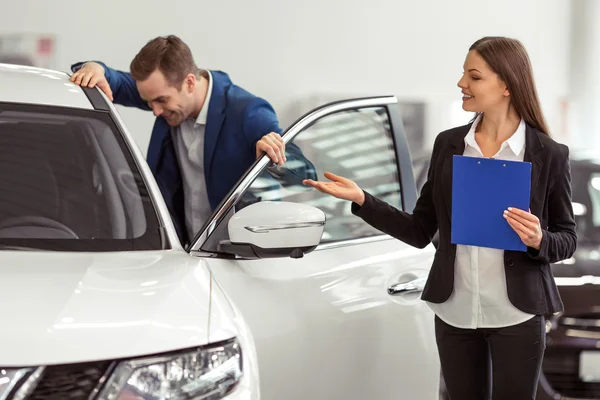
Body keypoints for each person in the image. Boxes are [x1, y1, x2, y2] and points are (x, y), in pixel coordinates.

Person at [303, 36, 577, 399]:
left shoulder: (548, 154)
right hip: (456, 312)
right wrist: (362, 199)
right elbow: (419, 230)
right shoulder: (449, 145)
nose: (462, 84)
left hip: (518, 314)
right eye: (464, 75)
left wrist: (539, 239)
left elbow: (567, 240)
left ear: (507, 85)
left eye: (474, 76)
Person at [70, 35, 315, 246]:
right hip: (184, 252)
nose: (155, 111)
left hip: (239, 255)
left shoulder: (247, 112)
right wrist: (95, 67)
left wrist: (274, 159)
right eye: (148, 102)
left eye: (162, 101)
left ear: (189, 82)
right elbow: (114, 81)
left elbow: (305, 175)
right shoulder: (164, 96)